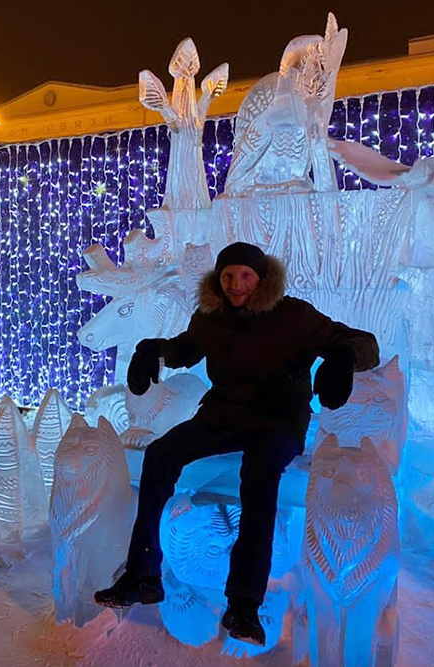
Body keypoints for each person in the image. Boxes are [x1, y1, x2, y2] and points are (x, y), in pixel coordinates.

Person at [93, 242, 379, 645]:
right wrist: (152, 351)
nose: (236, 284)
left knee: (259, 476)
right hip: (222, 415)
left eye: (245, 275)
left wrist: (343, 358)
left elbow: (363, 342)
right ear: (218, 279)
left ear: (261, 279)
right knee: (160, 455)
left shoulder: (293, 316)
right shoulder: (211, 315)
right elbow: (187, 348)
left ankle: (244, 602)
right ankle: (143, 574)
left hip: (278, 420)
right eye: (228, 276)